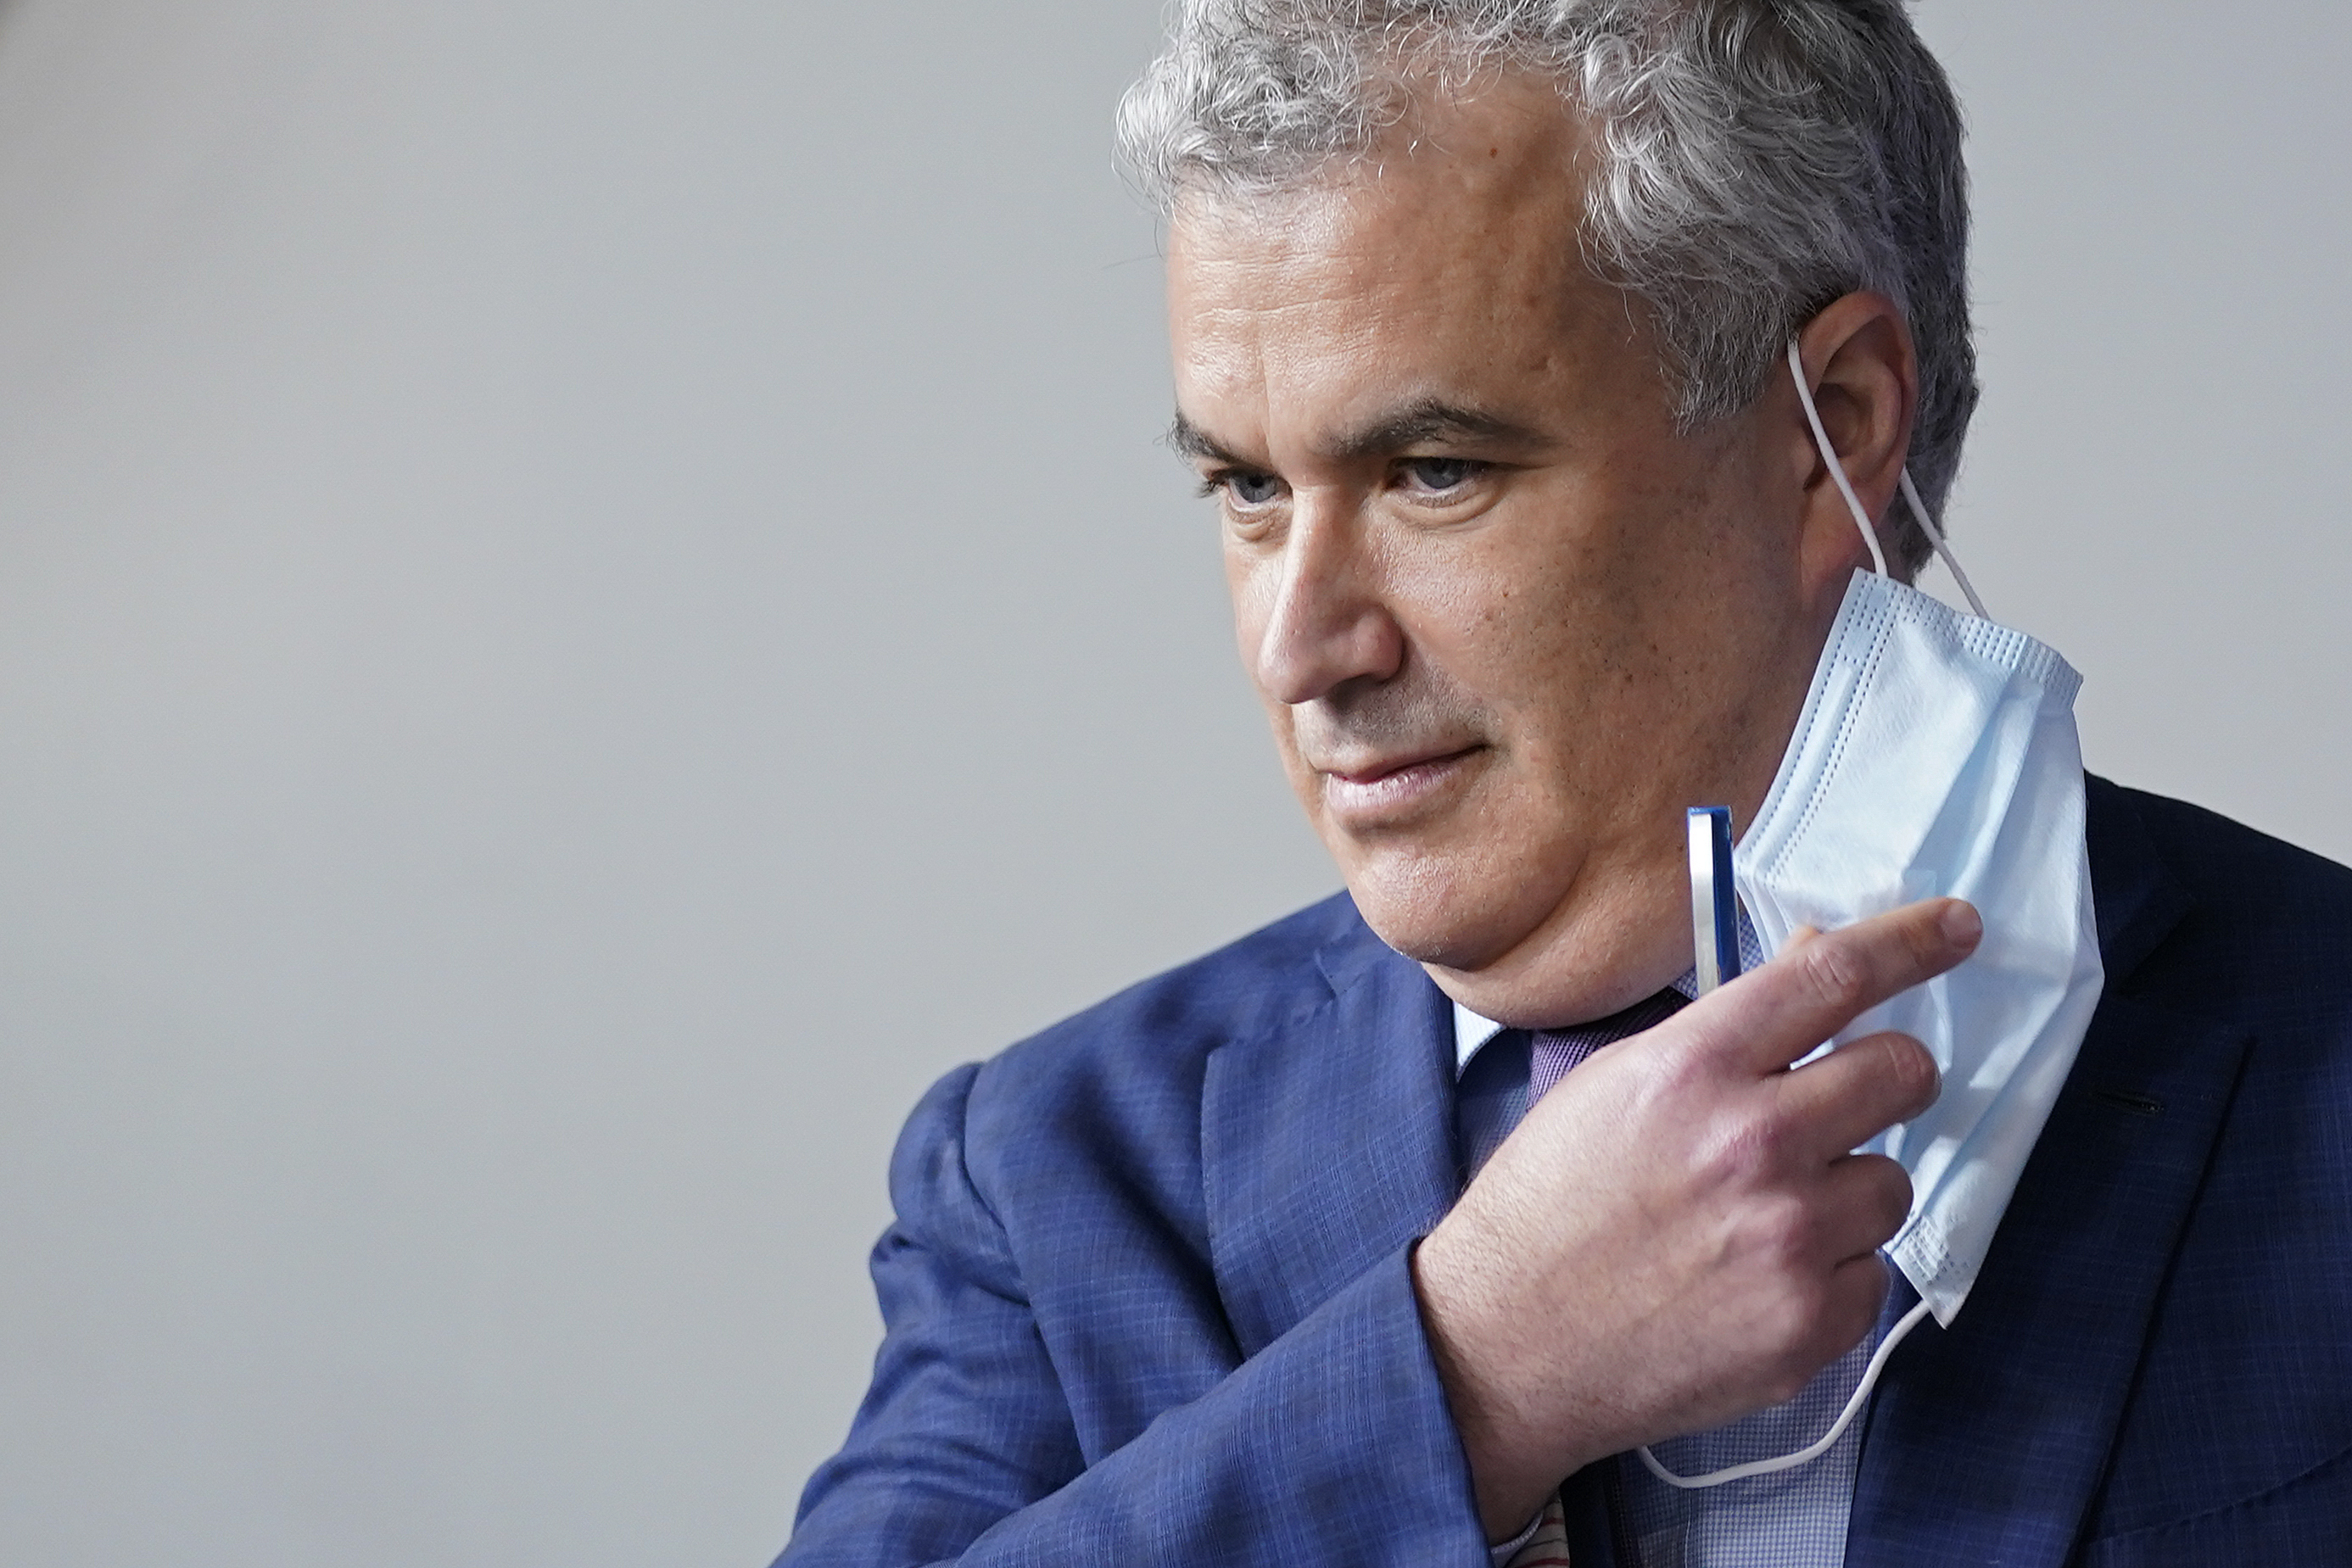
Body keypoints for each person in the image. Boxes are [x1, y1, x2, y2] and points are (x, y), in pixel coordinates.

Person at [778, 3, 2352, 1564]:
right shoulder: (1051, 1175)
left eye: (1433, 470)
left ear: (1834, 428)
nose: (1297, 645)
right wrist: (1472, 1379)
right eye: (1248, 486)